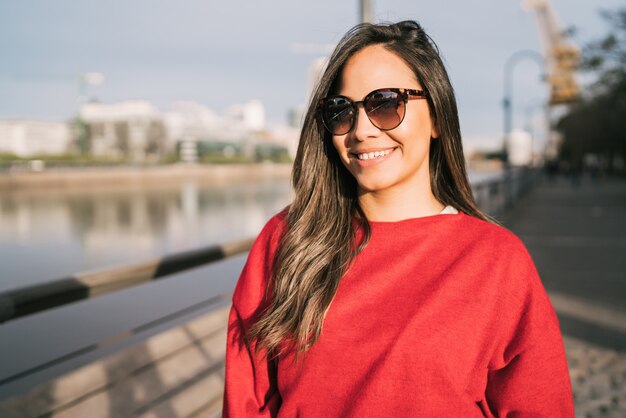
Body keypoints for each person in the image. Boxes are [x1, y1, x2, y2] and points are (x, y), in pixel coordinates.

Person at [222, 20, 574, 417]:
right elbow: (246, 398)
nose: (361, 131)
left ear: (438, 117)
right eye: (341, 111)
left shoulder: (496, 260)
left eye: (386, 104)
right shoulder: (288, 239)